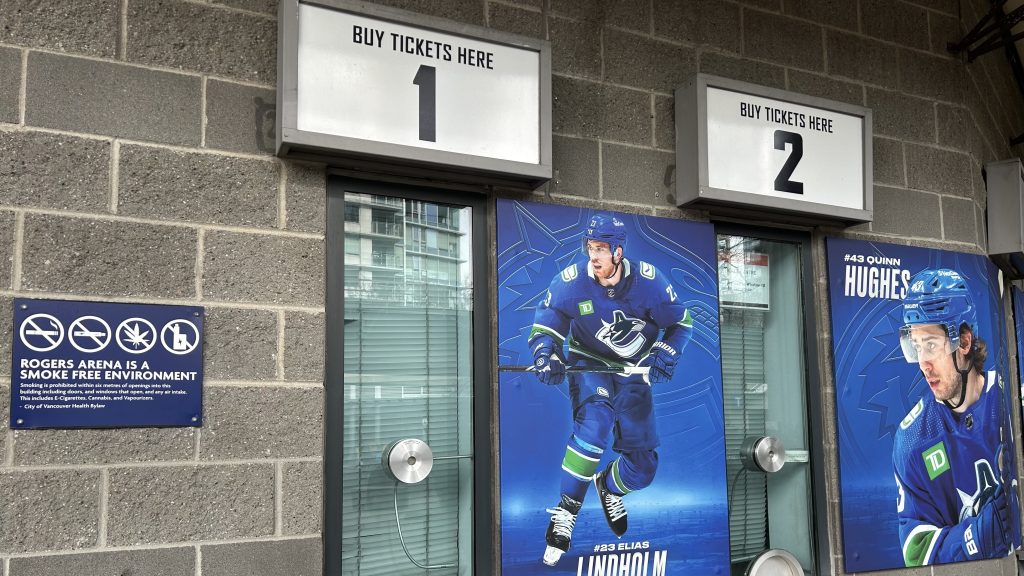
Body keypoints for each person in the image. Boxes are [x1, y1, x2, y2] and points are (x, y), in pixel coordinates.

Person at [528, 213, 693, 566]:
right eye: (590, 248)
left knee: (644, 467)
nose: (594, 256)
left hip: (633, 370)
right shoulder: (571, 282)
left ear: (619, 252)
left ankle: (609, 486)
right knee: (596, 424)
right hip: (590, 363)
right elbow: (547, 323)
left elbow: (682, 323)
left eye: (601, 249)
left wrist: (669, 349)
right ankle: (566, 513)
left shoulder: (650, 283)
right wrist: (546, 353)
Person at [892, 268, 1016, 566]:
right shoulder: (912, 441)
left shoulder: (1012, 400)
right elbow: (916, 551)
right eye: (916, 346)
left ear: (964, 342)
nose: (923, 363)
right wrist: (974, 539)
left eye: (931, 345)